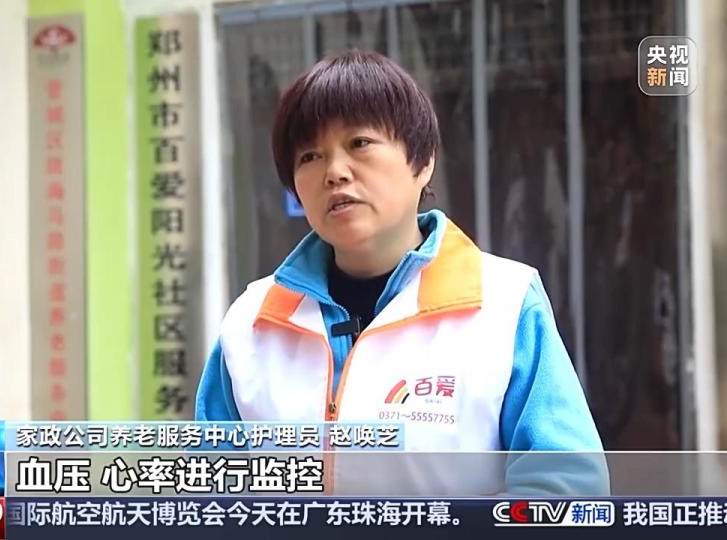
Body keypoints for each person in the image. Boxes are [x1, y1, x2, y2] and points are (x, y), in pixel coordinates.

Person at [196, 50, 607, 496]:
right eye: (310, 156)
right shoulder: (251, 323)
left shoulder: (504, 304)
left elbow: (567, 489)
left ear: (422, 161)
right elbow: (208, 492)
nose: (334, 172)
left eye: (359, 143)